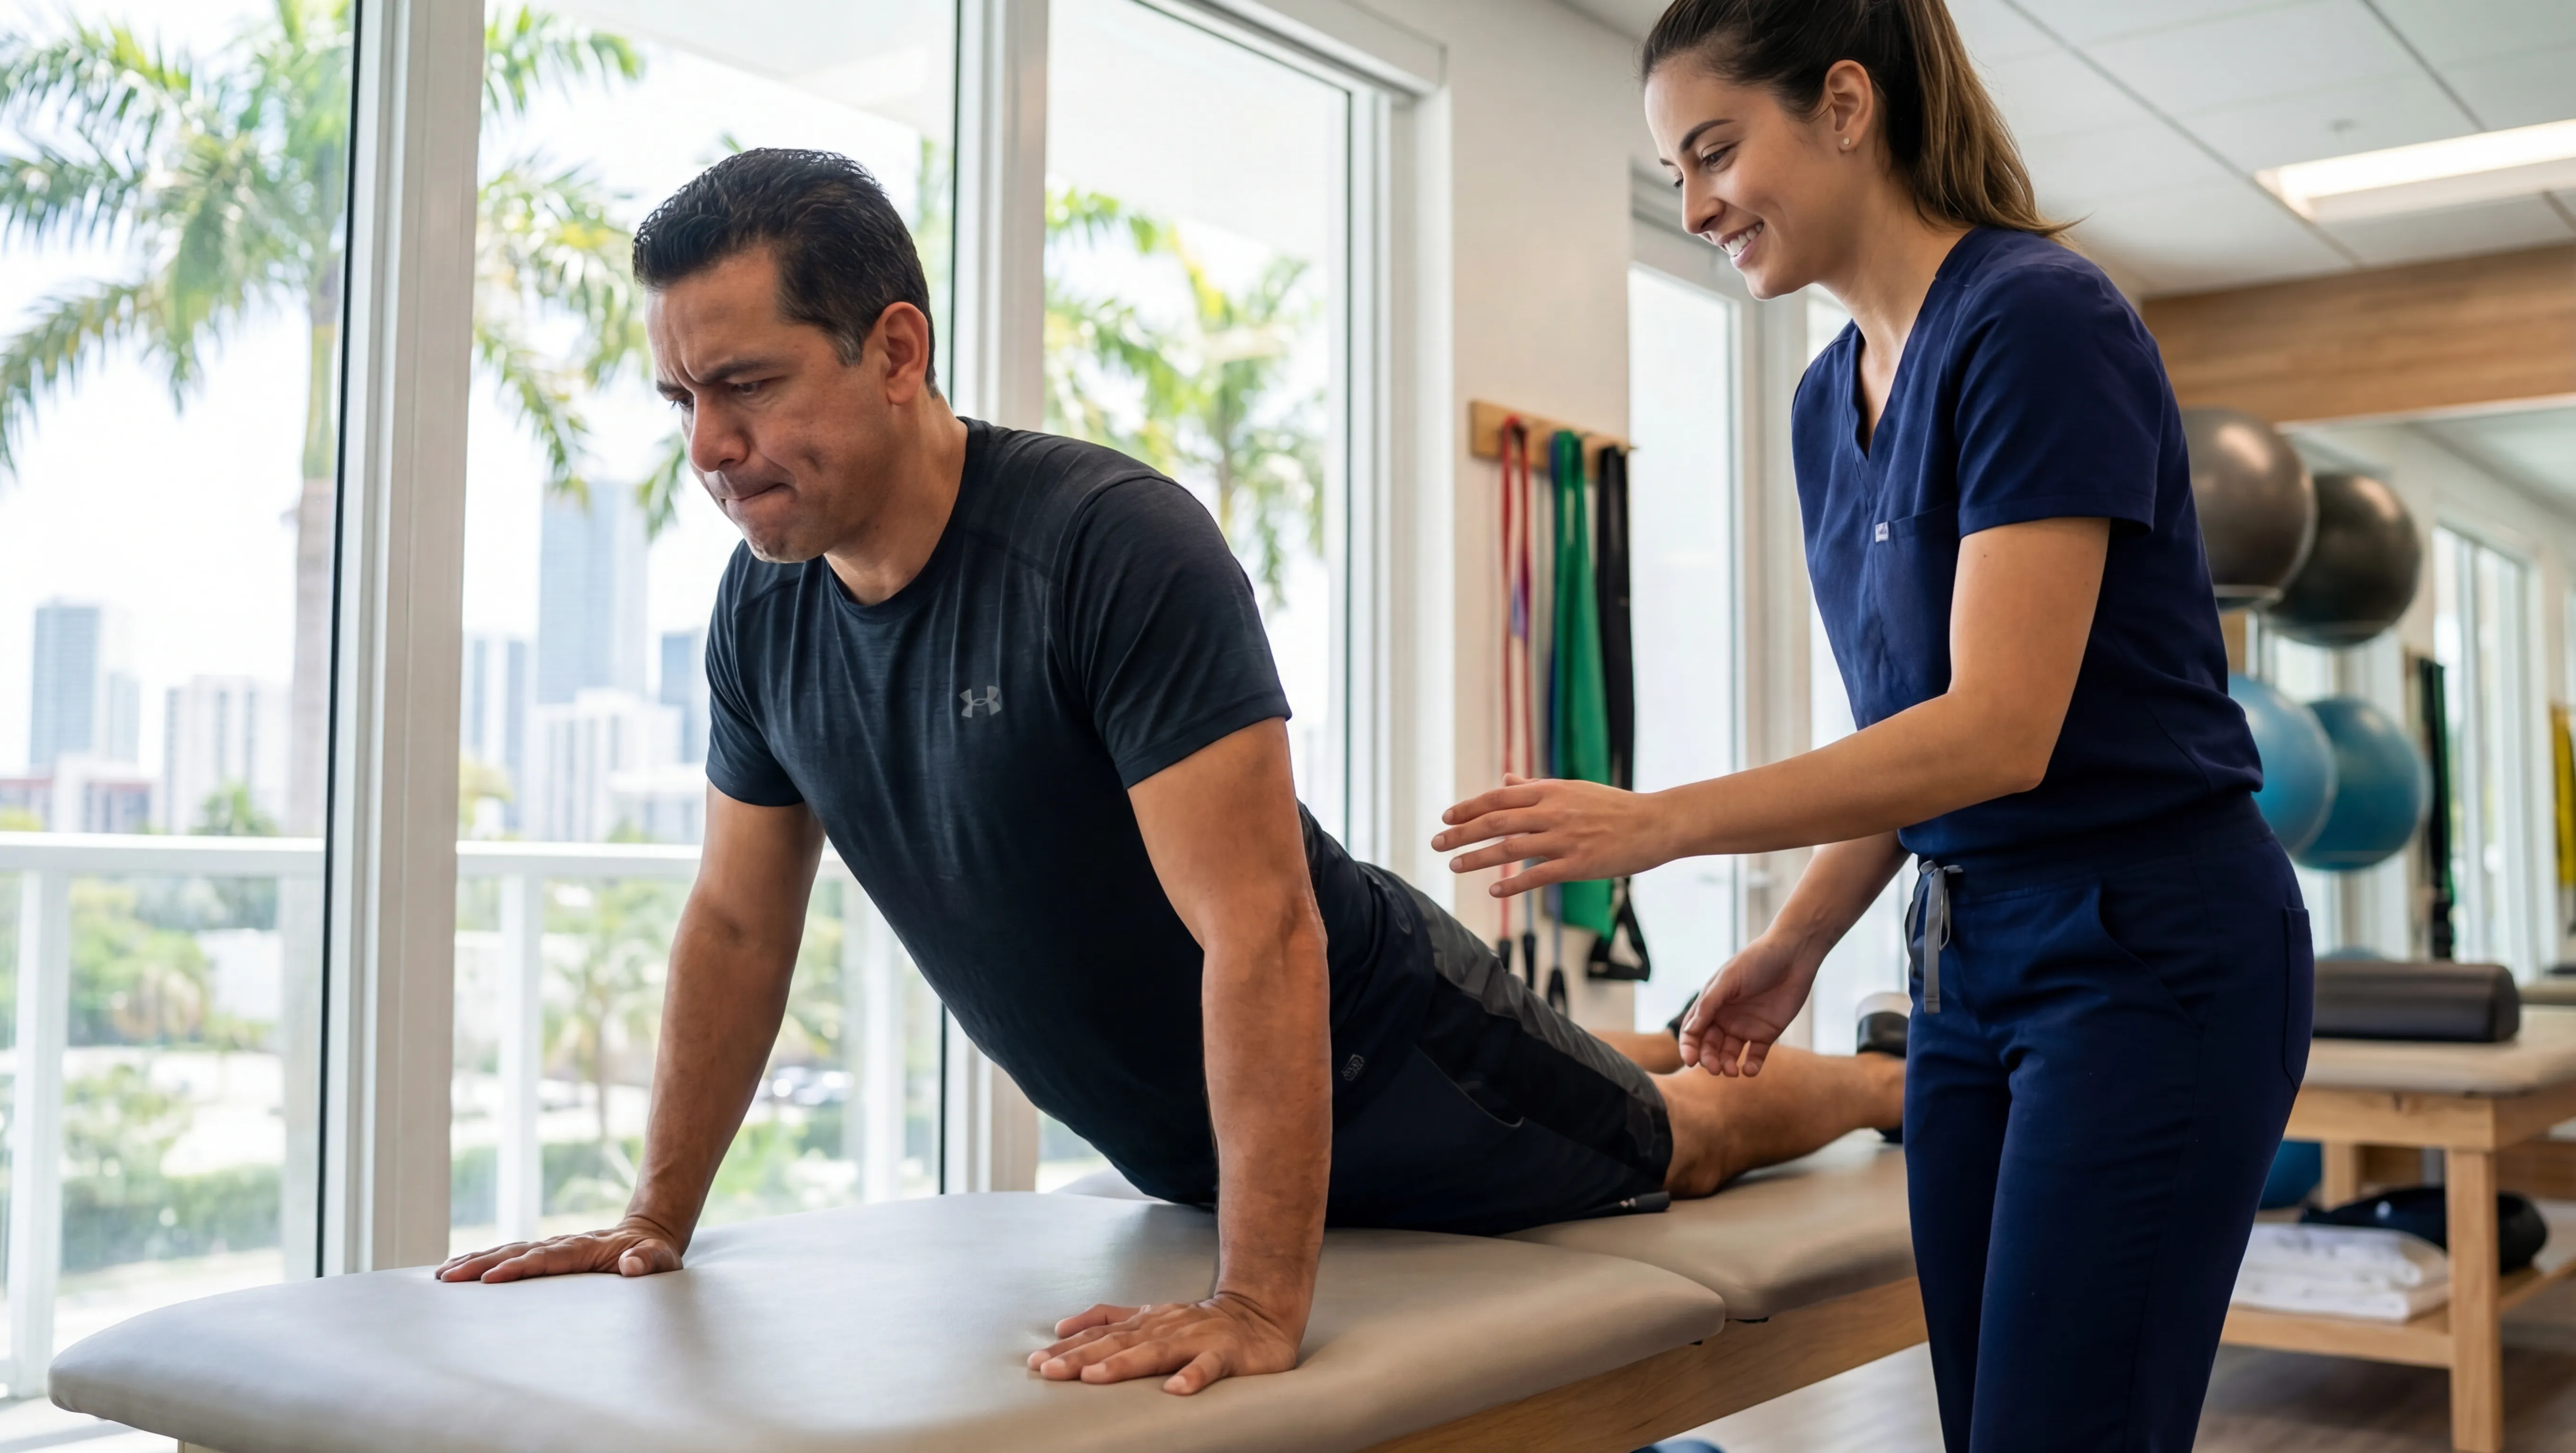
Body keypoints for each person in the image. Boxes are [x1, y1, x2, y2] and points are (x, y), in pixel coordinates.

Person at [434, 148, 1905, 1397]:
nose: (709, 445)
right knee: (1593, 1062)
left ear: (895, 350)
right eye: (680, 398)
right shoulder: (765, 611)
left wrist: (1260, 1306)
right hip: (1187, 1124)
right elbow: (740, 927)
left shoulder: (1103, 545)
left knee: (1682, 1137)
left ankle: (1890, 1082)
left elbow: (1260, 928)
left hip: (1382, 1055)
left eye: (743, 385)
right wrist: (655, 1218)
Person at [1433, 2, 2311, 1449]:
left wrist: (1656, 824)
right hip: (1966, 964)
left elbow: (1997, 734)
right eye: (1676, 175)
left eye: (1716, 152)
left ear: (1847, 104)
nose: (1700, 203)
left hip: (2148, 952)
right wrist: (1796, 941)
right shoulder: (1818, 403)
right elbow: (1907, 736)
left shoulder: (2038, 317)